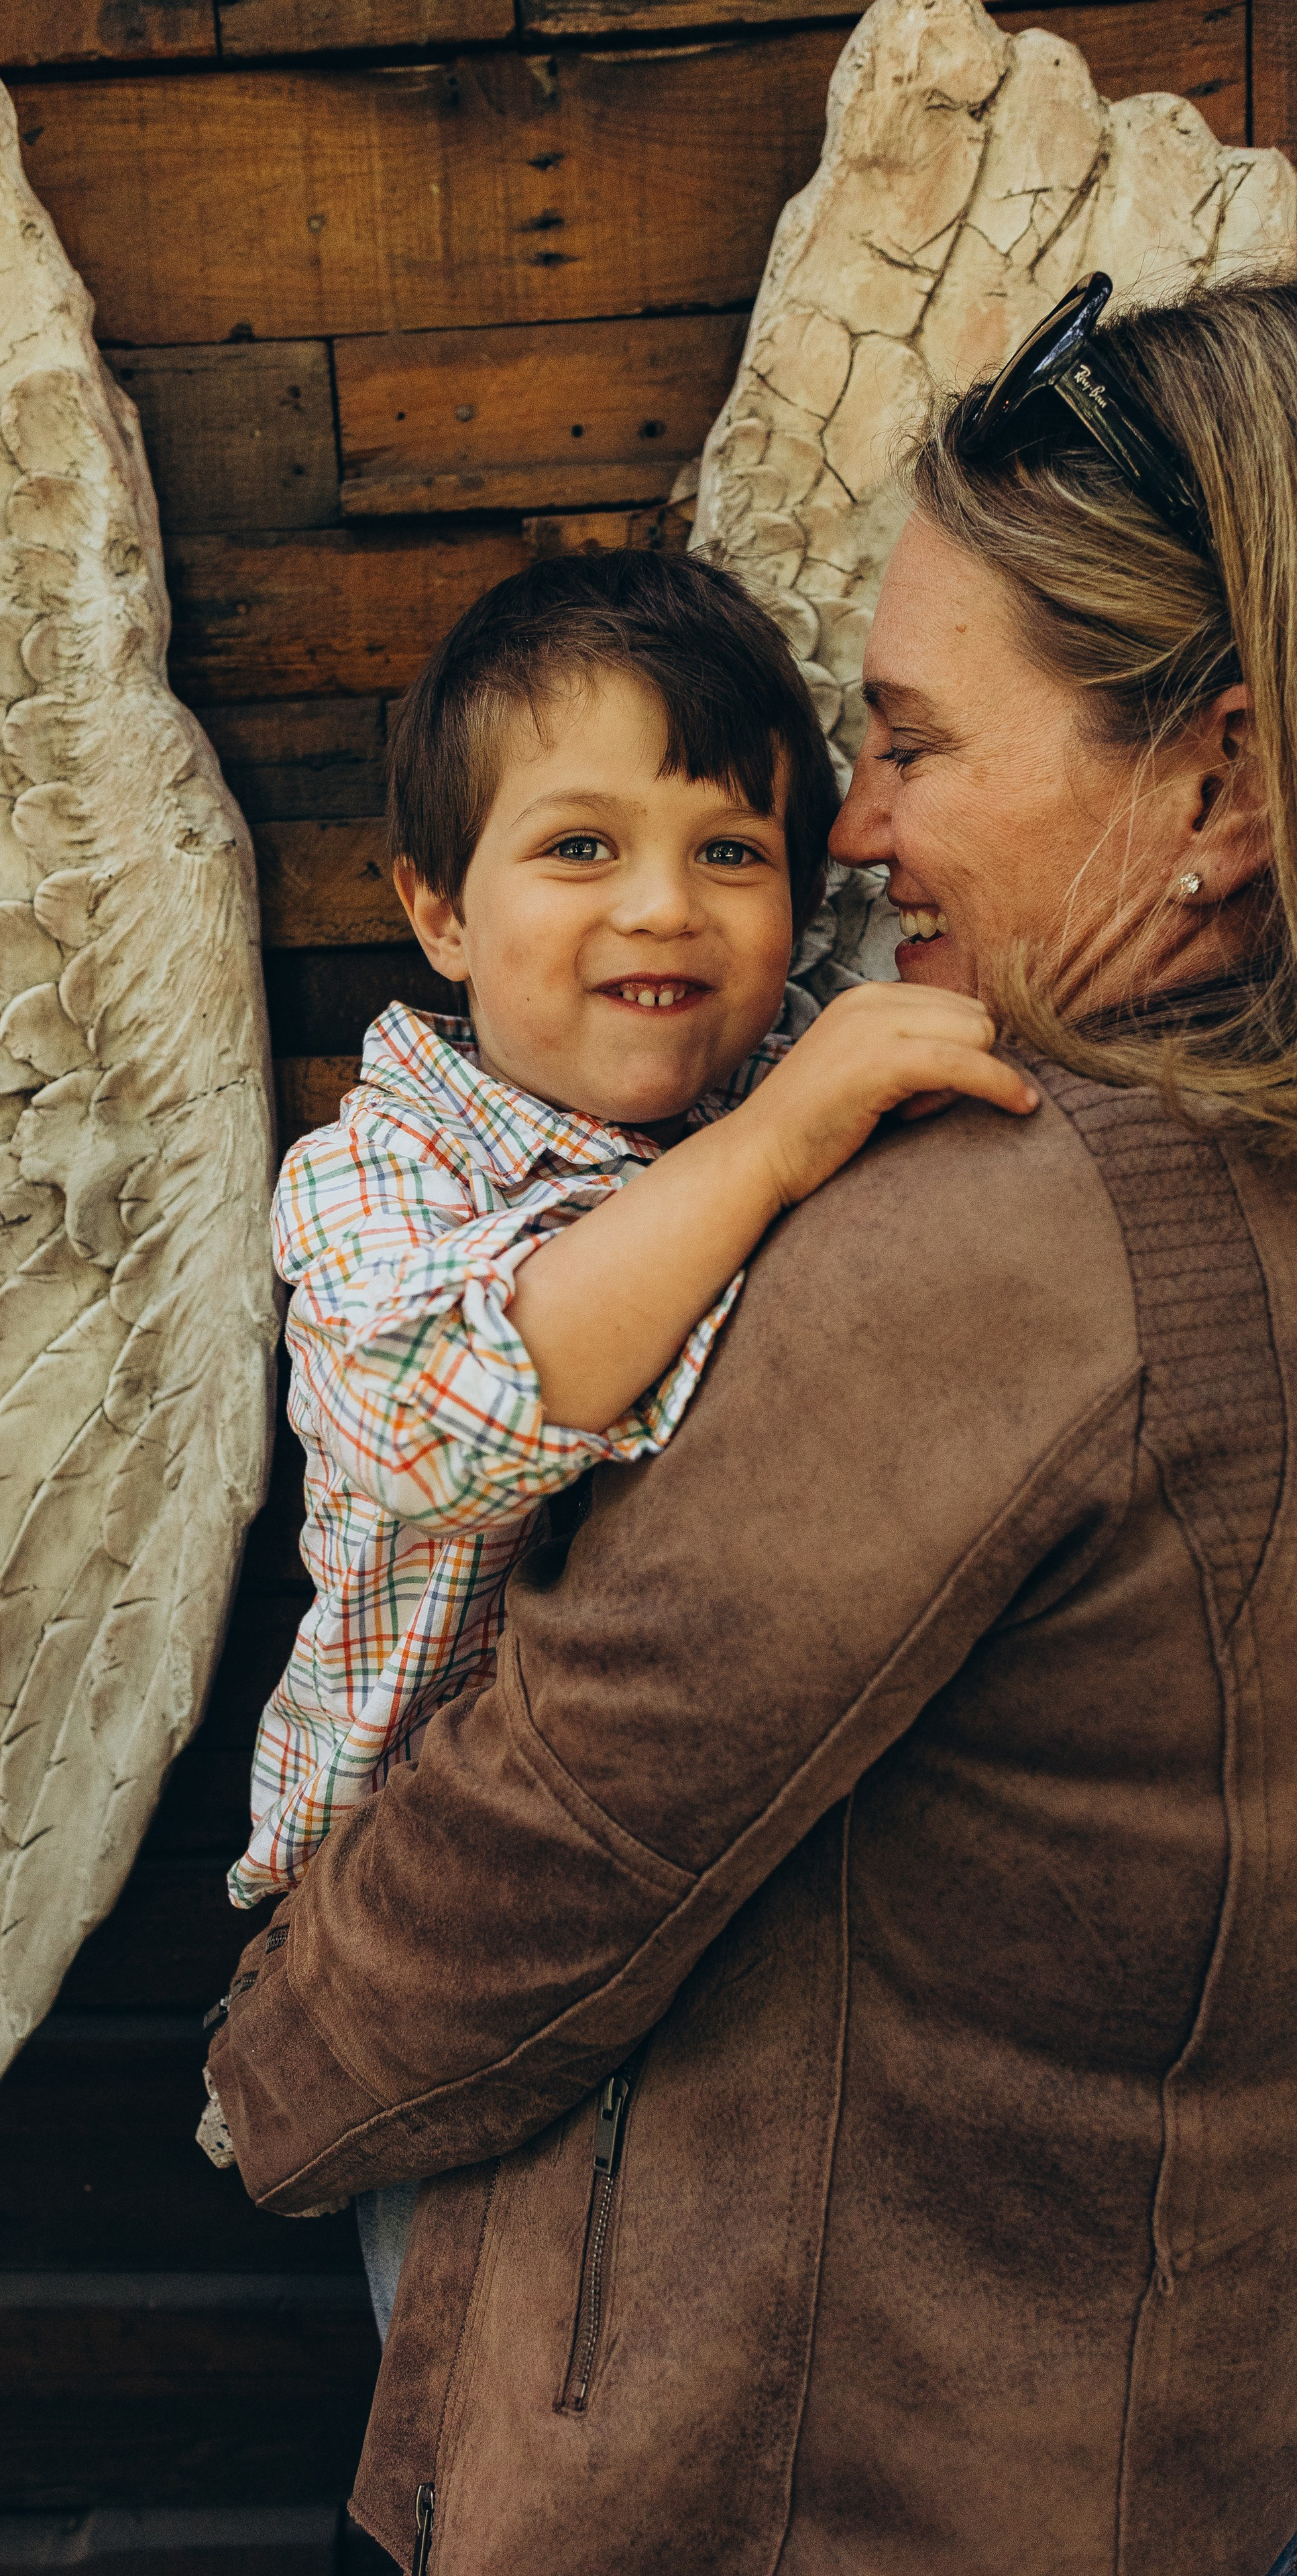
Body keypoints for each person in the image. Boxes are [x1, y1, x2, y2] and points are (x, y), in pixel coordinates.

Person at [210, 271, 1297, 2575]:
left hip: (826, 2445)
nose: (862, 837)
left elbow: (576, 1827)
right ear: (433, 906)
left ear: (1218, 777)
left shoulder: (998, 1233)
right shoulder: (1151, 1144)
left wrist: (268, 2084)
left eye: (905, 746)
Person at [213, 555, 1033, 2331]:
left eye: (730, 852)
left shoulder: (808, 1090)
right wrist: (769, 1162)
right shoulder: (374, 1180)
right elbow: (450, 1414)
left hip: (741, 1910)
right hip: (441, 1941)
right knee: (490, 2396)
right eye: (580, 847)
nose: (663, 906)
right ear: (438, 908)